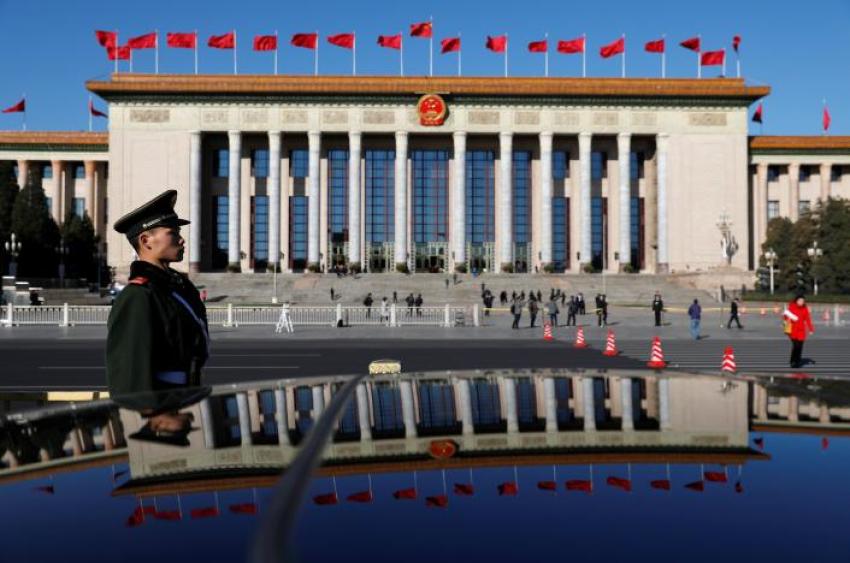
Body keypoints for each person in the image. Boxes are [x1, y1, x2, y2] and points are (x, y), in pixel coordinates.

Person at [106, 190, 209, 432]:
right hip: (162, 418)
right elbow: (129, 376)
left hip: (181, 403)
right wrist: (158, 418)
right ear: (146, 241)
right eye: (173, 233)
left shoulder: (173, 288)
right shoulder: (138, 296)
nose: (182, 240)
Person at [784, 294, 815, 368]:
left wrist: (811, 329)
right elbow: (785, 317)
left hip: (801, 330)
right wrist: (787, 317)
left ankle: (797, 361)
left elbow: (808, 319)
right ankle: (793, 361)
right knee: (796, 346)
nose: (801, 302)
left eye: (803, 301)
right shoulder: (791, 307)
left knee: (800, 346)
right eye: (800, 300)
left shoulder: (805, 308)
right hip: (792, 330)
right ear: (796, 301)